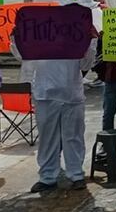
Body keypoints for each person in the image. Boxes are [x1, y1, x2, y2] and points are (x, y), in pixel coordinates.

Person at [15, 12, 98, 192]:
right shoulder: (39, 36)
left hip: (71, 93)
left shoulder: (75, 37)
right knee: (47, 139)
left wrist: (91, 41)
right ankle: (47, 177)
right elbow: (23, 55)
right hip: (46, 93)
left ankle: (76, 174)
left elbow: (86, 65)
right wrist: (17, 37)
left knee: (73, 136)